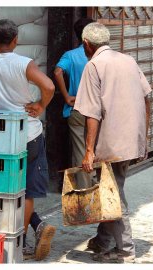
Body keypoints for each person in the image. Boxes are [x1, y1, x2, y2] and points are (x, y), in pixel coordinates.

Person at [0, 19, 56, 261]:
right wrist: (40, 105)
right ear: (15, 40)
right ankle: (22, 242)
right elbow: (48, 86)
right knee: (26, 191)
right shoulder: (23, 63)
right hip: (27, 133)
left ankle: (10, 235)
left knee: (3, 188)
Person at [74, 22, 151, 263]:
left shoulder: (94, 65)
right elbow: (147, 98)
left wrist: (88, 151)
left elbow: (92, 113)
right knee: (112, 187)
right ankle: (103, 240)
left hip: (111, 143)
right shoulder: (128, 60)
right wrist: (144, 137)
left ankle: (126, 250)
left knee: (113, 195)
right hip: (131, 139)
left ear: (86, 45)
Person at [54, 18, 95, 189]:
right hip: (97, 109)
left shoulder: (70, 55)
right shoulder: (99, 56)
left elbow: (57, 72)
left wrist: (66, 96)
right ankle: (97, 186)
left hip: (77, 107)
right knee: (95, 149)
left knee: (80, 151)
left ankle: (83, 190)